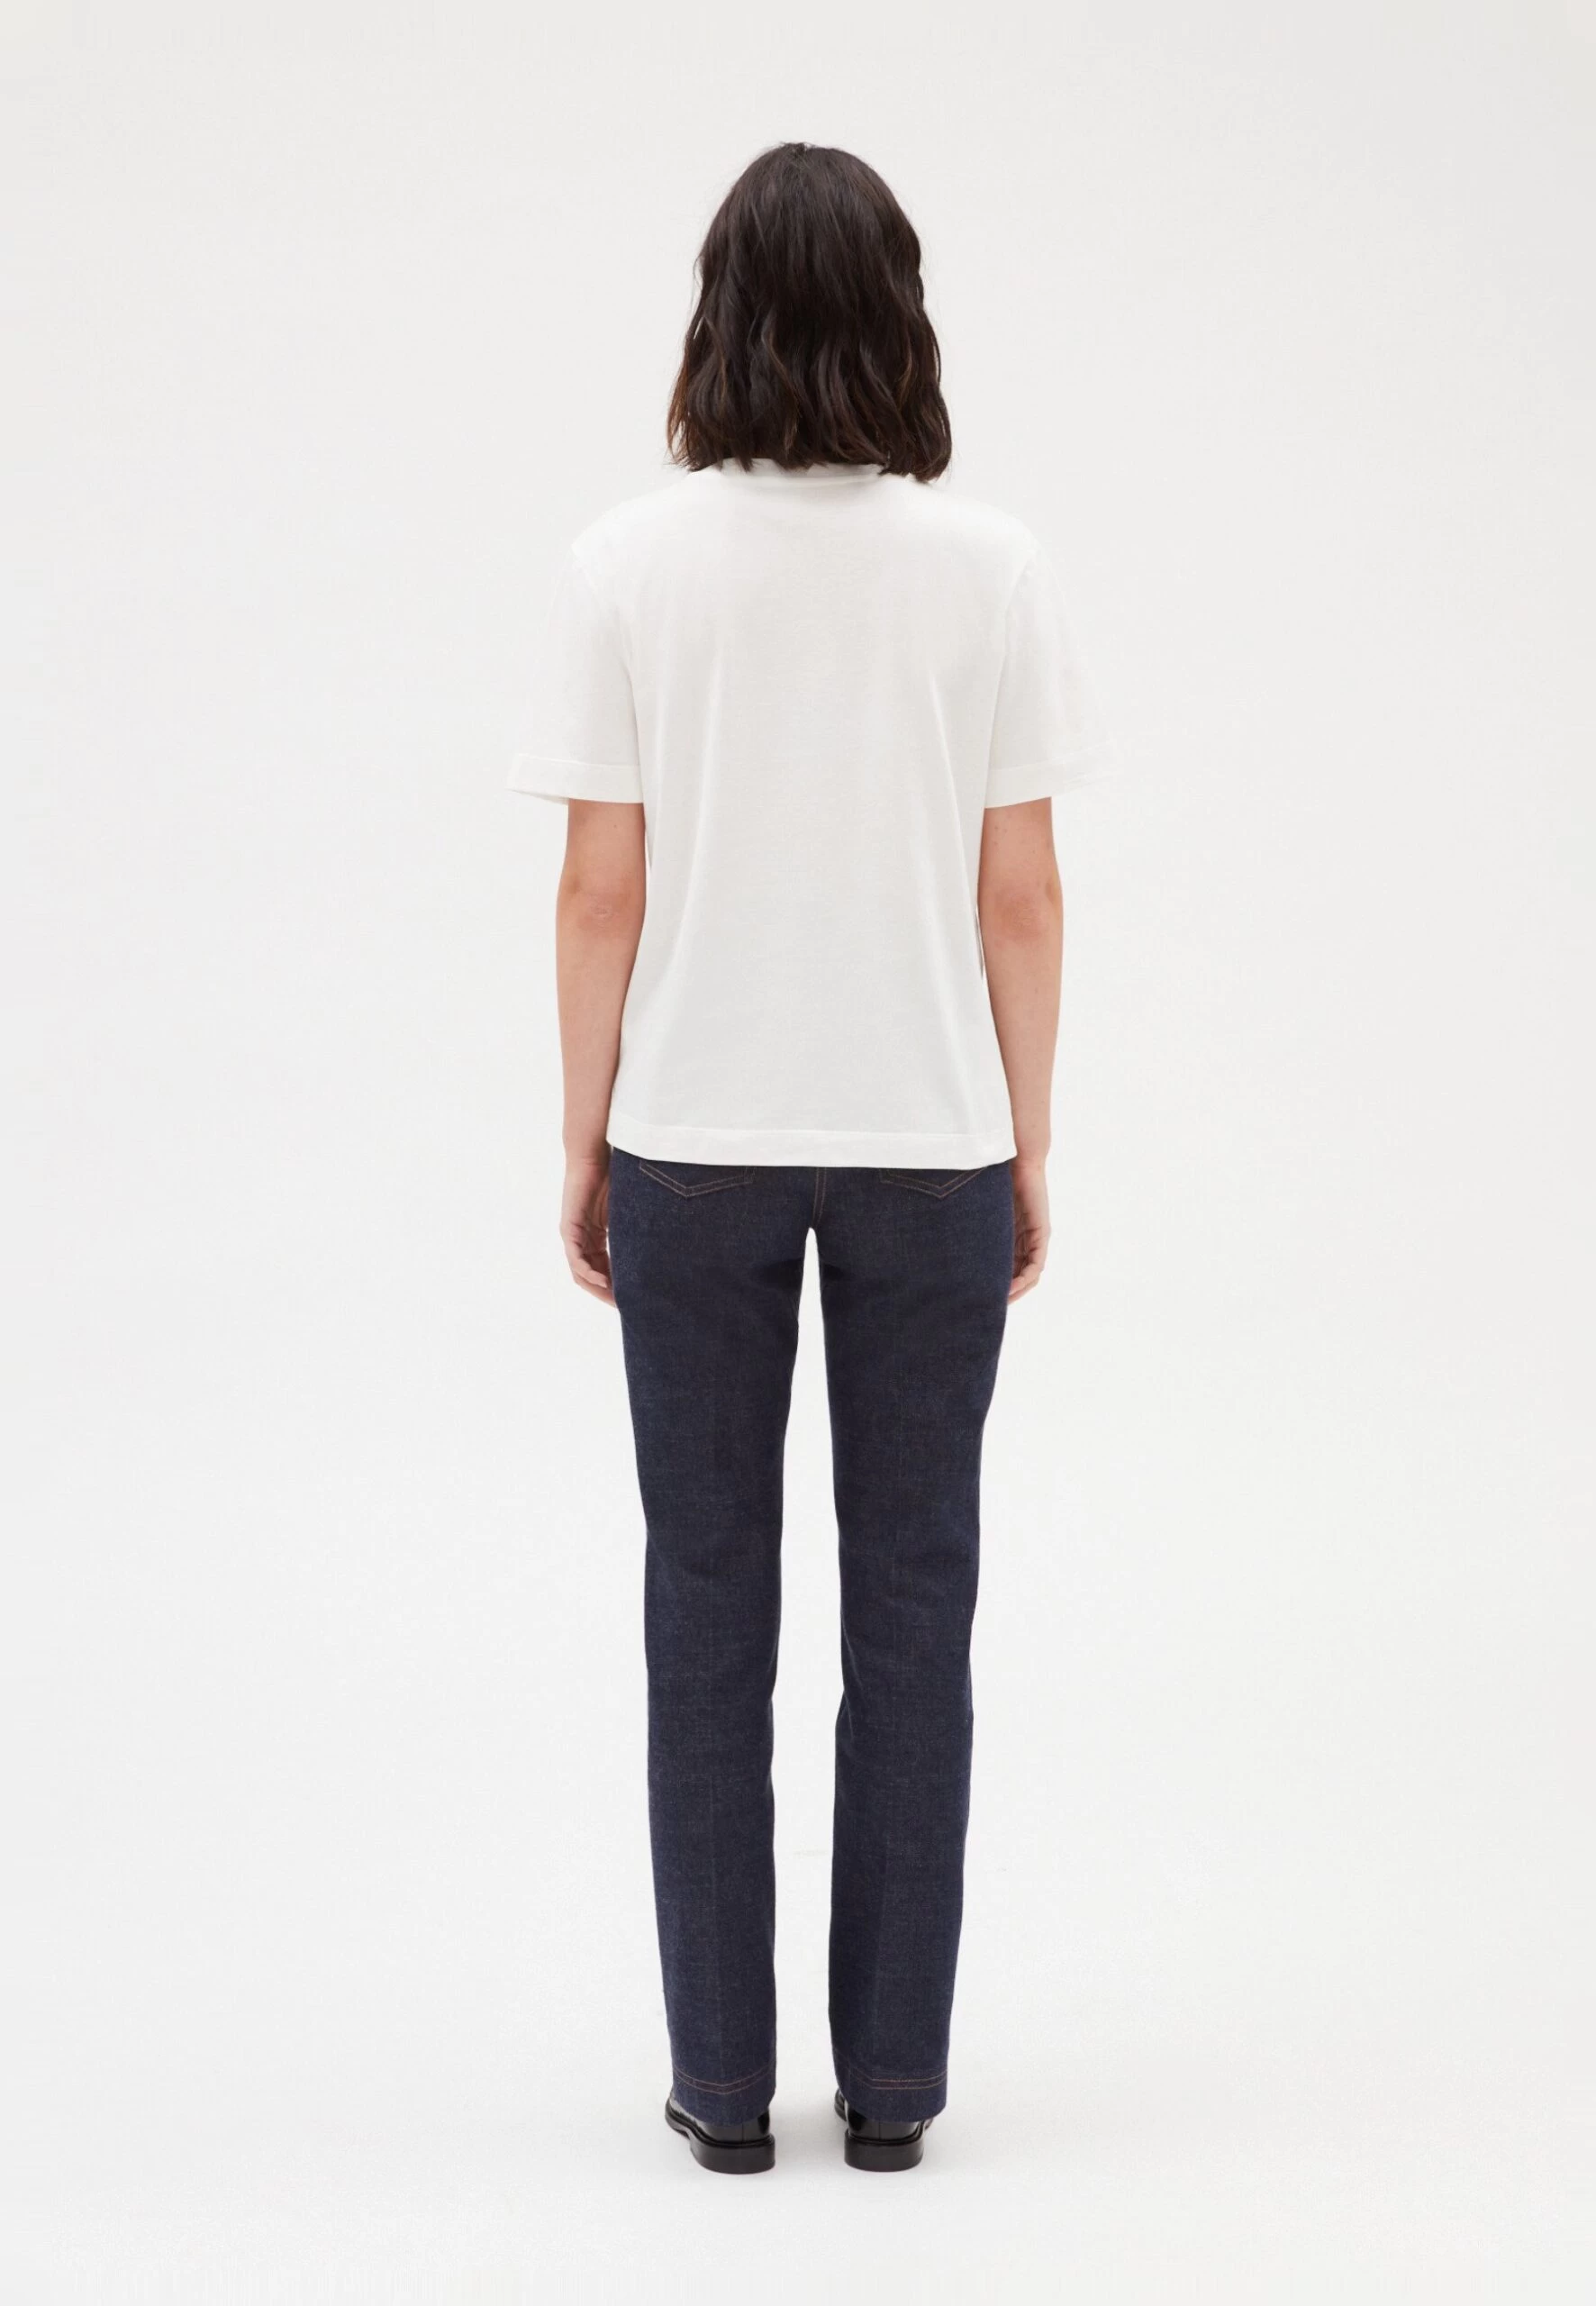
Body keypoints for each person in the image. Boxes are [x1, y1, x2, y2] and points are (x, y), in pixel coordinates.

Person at [510, 141, 1110, 2174]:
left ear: (720, 317)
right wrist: (1027, 1138)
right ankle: (896, 2090)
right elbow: (1021, 892)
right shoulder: (989, 569)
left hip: (689, 1140)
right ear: (898, 315)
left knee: (705, 1609)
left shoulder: (626, 567)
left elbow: (599, 887)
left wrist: (582, 1132)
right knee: (913, 1612)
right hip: (932, 1143)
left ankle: (716, 2086)